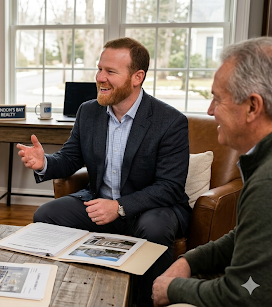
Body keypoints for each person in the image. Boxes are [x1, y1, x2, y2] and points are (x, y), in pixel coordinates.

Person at [17, 37, 191, 306]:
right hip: (99, 201)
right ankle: (69, 292)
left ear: (137, 77)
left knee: (154, 229)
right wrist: (45, 163)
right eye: (100, 69)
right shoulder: (89, 112)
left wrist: (119, 206)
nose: (100, 77)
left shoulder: (170, 121)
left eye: (110, 71)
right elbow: (71, 157)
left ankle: (145, 301)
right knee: (45, 214)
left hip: (152, 208)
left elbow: (169, 186)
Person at [152, 36, 272, 306]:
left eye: (218, 99)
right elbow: (244, 237)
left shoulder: (267, 182)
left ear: (253, 106)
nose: (209, 110)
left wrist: (173, 290)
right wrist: (188, 261)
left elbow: (244, 294)